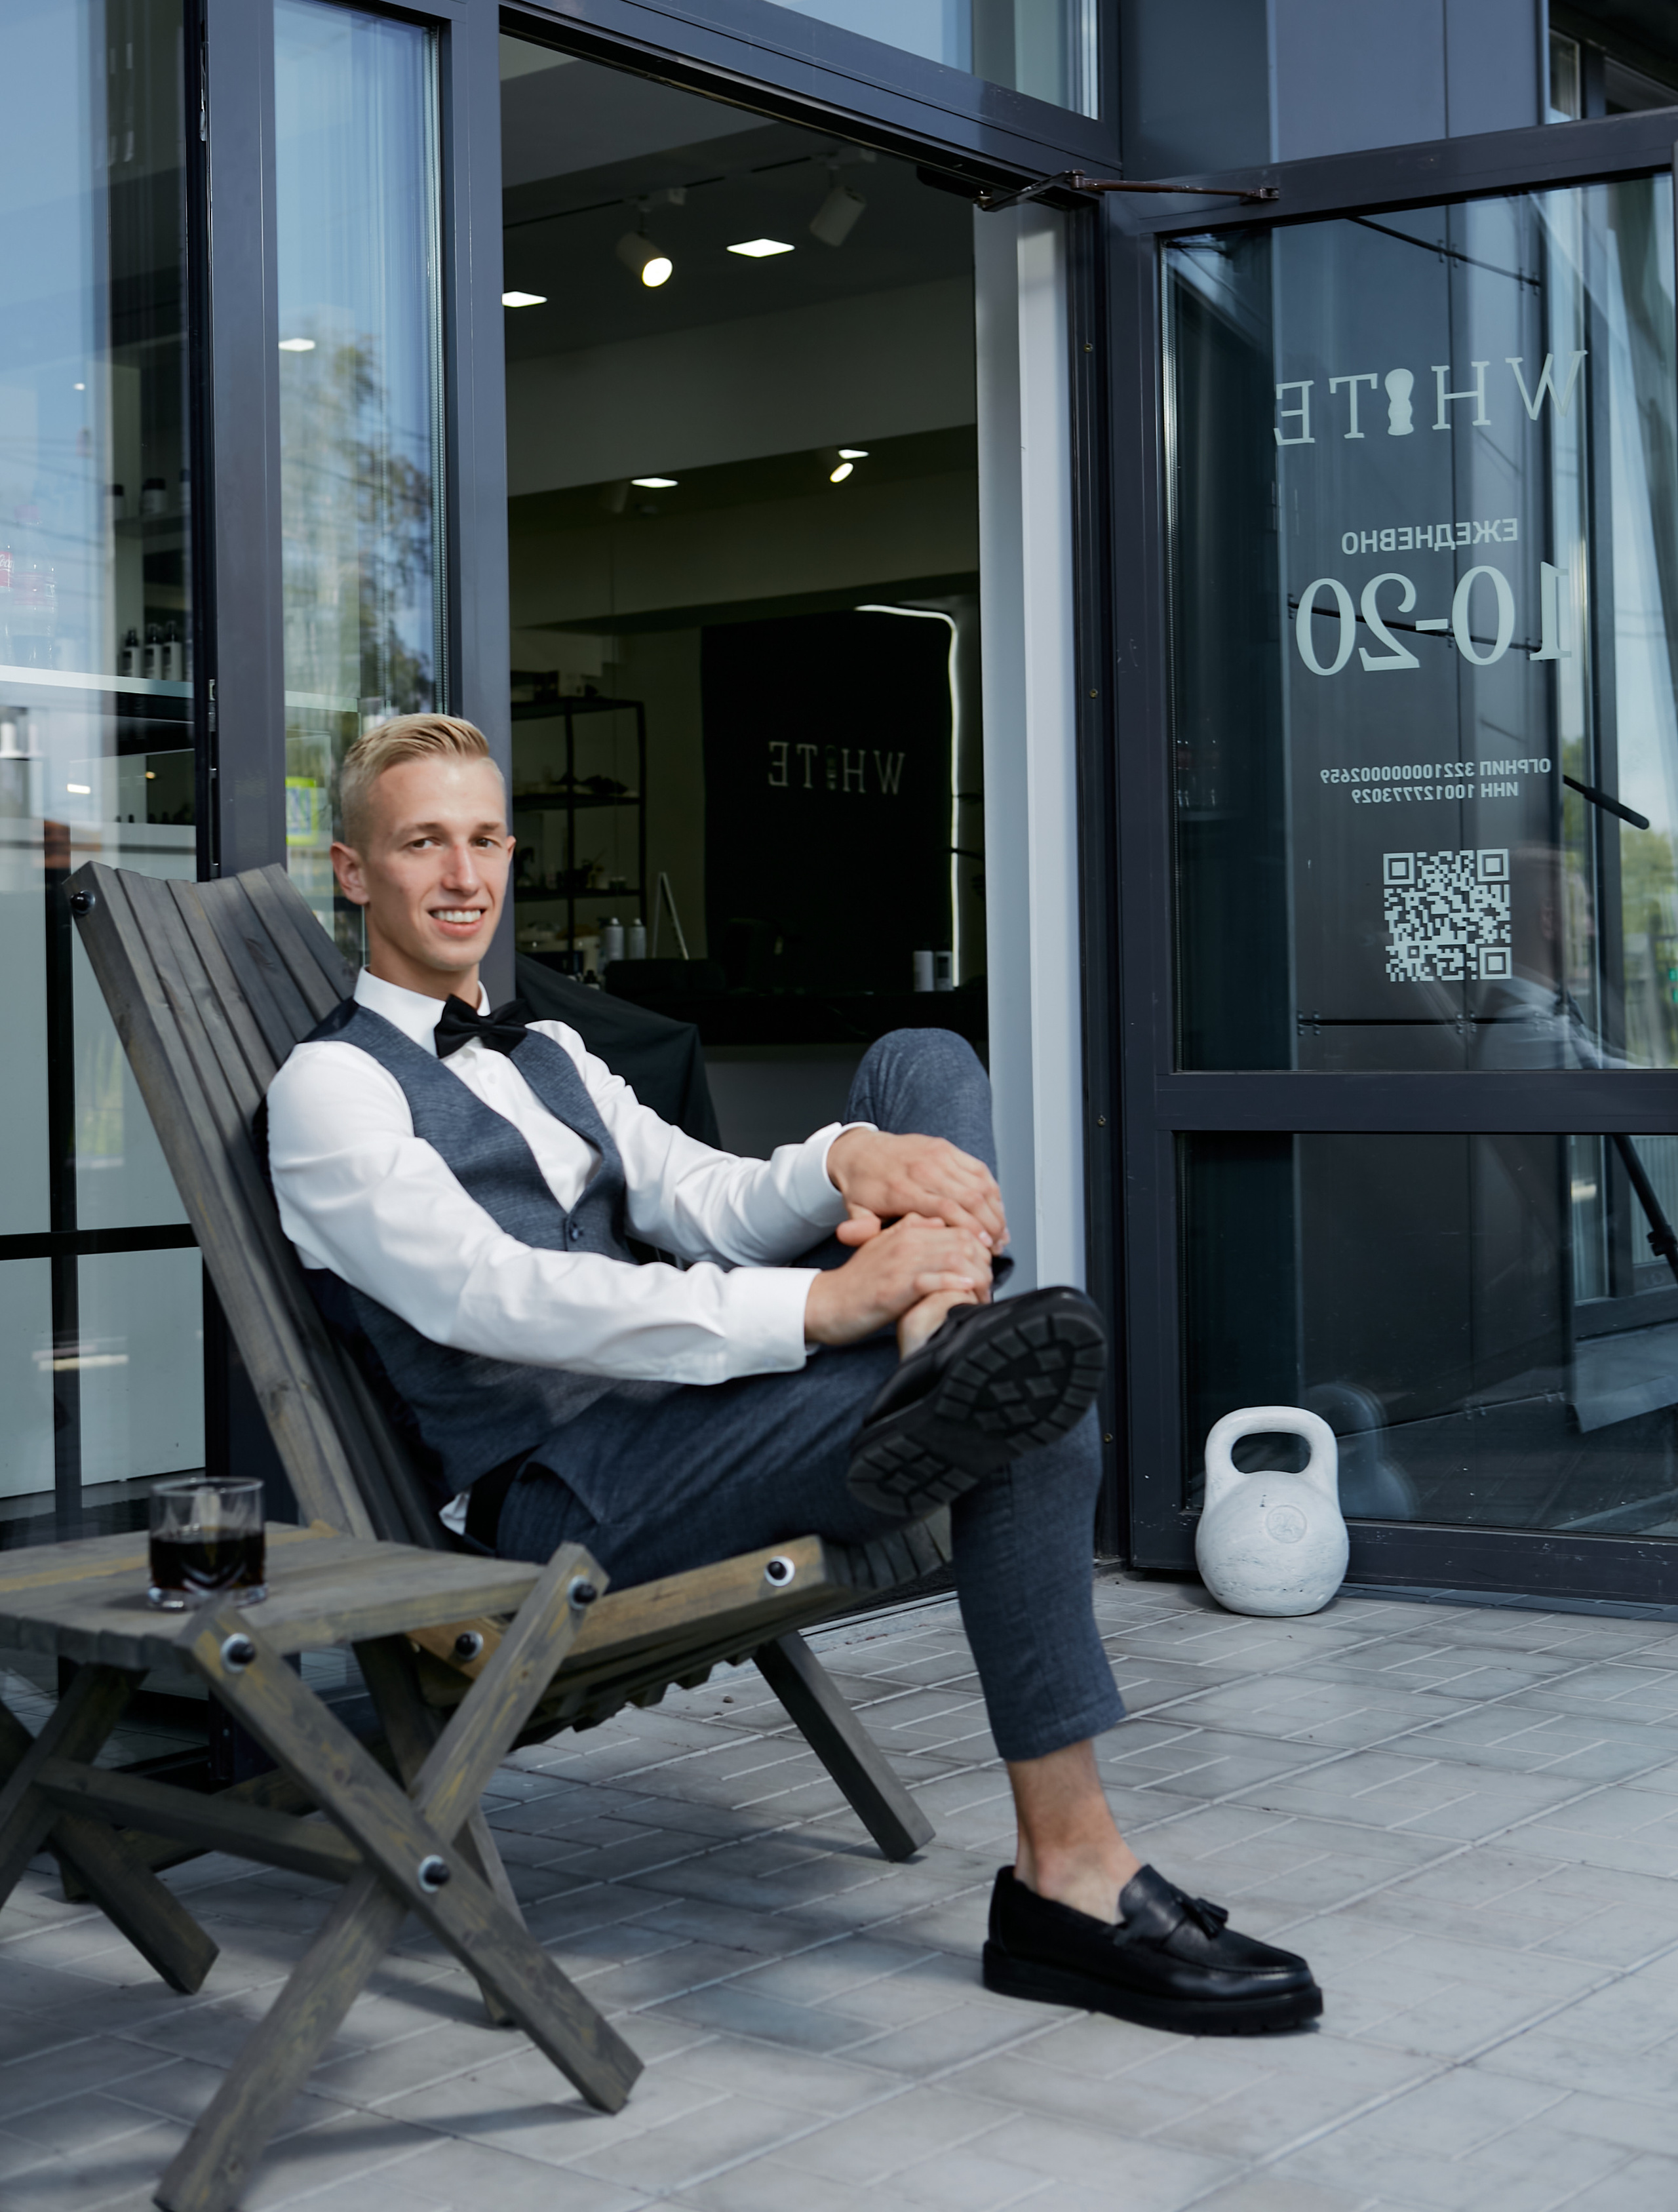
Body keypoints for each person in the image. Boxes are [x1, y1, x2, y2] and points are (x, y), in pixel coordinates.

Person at [266, 714, 1321, 2036]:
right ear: (354, 871)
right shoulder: (331, 1091)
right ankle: (1070, 1872)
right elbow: (502, 1299)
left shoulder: (551, 1054)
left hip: (691, 1431)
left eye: (483, 839)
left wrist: (841, 1170)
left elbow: (698, 1196)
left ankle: (945, 1345)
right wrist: (821, 1305)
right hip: (559, 1497)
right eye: (422, 842)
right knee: (1028, 1415)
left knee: (920, 1066)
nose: (462, 875)